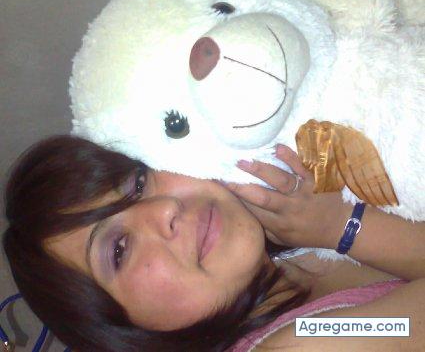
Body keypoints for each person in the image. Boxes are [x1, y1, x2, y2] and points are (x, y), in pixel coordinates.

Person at [3, 136, 425, 352]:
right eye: (118, 250)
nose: (164, 209)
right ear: (121, 331)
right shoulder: (306, 344)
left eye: (137, 183)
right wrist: (345, 226)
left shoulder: (291, 252)